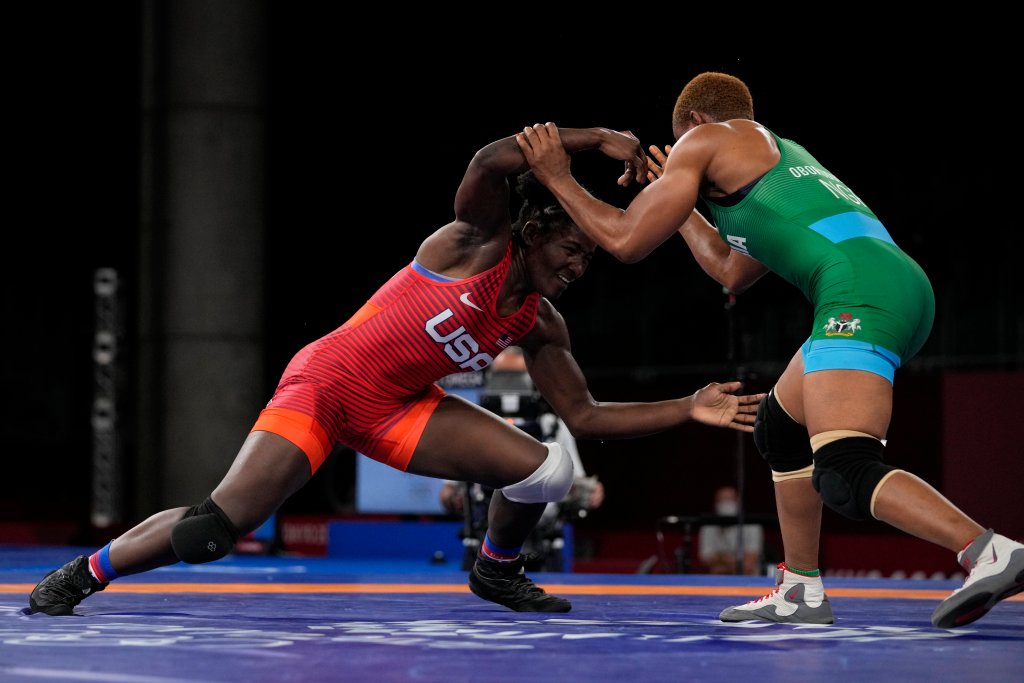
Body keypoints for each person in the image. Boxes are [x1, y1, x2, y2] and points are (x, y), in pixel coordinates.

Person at [29, 125, 766, 617]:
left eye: (588, 261)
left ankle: (496, 567)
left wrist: (686, 406)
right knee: (215, 530)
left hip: (399, 407)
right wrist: (595, 138)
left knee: (549, 469)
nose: (579, 267)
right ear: (535, 231)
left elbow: (586, 417)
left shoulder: (540, 323)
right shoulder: (475, 243)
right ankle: (86, 572)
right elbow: (489, 163)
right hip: (326, 386)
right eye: (572, 251)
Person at [514, 72, 1024, 629]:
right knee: (780, 429)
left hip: (861, 293)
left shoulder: (707, 138)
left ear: (695, 124)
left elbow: (625, 241)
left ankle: (988, 551)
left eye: (680, 143)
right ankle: (800, 588)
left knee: (844, 468)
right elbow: (730, 270)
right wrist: (679, 205)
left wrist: (557, 176)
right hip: (895, 286)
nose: (680, 155)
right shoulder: (777, 160)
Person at [439, 346, 605, 570]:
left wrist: (589, 491)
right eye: (503, 376)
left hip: (542, 535)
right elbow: (448, 492)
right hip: (485, 533)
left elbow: (575, 482)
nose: (510, 384)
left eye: (516, 376)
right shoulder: (472, 426)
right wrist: (452, 496)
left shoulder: (553, 426)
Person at [697, 484, 764, 575]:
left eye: (729, 499)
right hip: (718, 577)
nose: (726, 503)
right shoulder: (708, 526)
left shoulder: (752, 524)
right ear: (715, 503)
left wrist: (720, 559)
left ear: (738, 502)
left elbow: (751, 559)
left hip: (749, 576)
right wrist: (736, 562)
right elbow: (706, 558)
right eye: (722, 500)